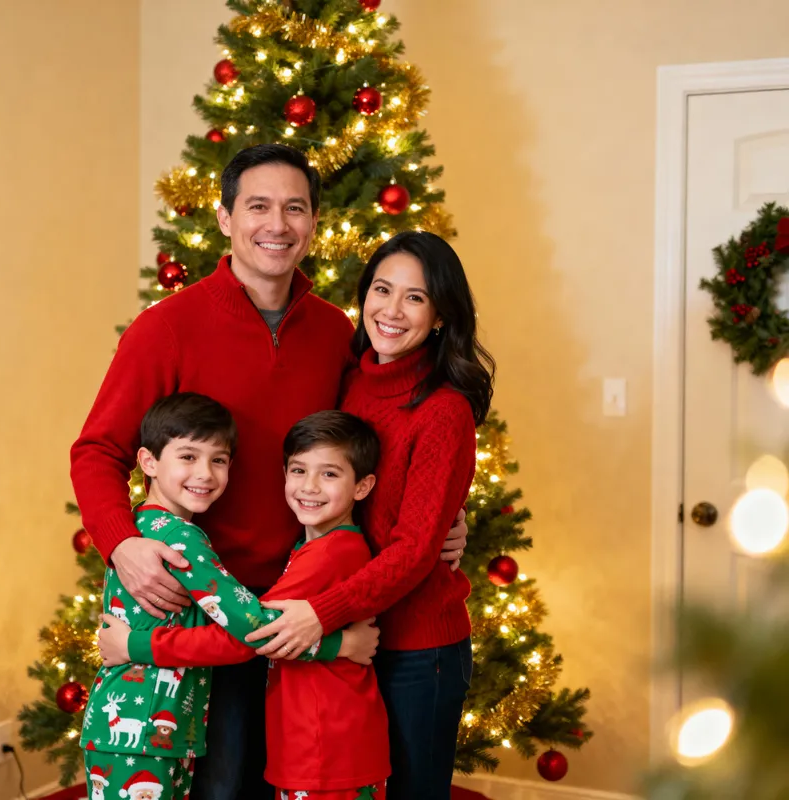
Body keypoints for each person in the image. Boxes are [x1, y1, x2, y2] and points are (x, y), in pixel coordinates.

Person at [70, 144, 467, 800]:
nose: (276, 224)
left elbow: (373, 454)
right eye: (258, 206)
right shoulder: (165, 329)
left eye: (294, 208)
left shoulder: (339, 334)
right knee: (217, 786)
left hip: (301, 607)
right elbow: (96, 451)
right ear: (225, 218)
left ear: (314, 223)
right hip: (206, 610)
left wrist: (447, 525)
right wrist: (124, 545)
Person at [247, 232, 495, 799]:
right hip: (359, 637)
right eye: (382, 290)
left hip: (416, 650)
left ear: (438, 316)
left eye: (415, 298)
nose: (391, 310)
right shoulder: (351, 382)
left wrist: (320, 613)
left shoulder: (444, 411)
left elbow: (412, 550)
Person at [80, 393, 360, 800]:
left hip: (153, 729)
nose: (206, 474)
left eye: (219, 460)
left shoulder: (141, 524)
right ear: (148, 462)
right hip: (141, 731)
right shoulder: (179, 537)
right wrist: (342, 643)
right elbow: (253, 629)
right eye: (188, 457)